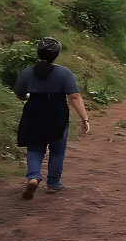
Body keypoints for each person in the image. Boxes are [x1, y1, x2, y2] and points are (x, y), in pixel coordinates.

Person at [14, 37, 90, 200]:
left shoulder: (27, 72)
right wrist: (85, 119)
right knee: (57, 147)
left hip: (34, 109)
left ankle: (33, 177)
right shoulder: (64, 73)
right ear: (56, 54)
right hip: (57, 110)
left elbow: (19, 93)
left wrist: (28, 97)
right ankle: (53, 183)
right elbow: (74, 96)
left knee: (34, 146)